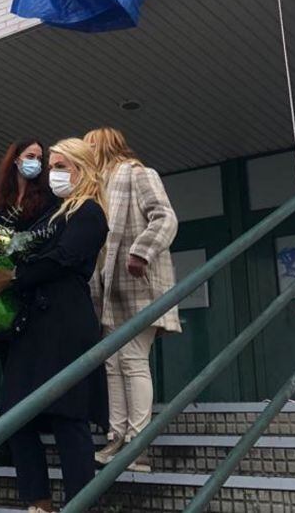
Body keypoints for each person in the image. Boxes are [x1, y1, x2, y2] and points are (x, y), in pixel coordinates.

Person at [0, 137, 110, 513]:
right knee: (16, 415)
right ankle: (38, 502)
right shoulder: (52, 214)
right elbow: (26, 246)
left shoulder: (90, 212)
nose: (52, 174)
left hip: (66, 321)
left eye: (60, 166)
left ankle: (80, 502)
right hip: (33, 322)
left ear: (82, 169)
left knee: (70, 416)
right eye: (51, 166)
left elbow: (64, 258)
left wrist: (14, 276)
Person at [85, 128, 179, 473]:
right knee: (113, 364)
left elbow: (165, 216)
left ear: (103, 146)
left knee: (133, 360)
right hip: (108, 291)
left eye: (89, 146)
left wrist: (141, 251)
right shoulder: (98, 189)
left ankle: (138, 445)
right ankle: (117, 436)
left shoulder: (139, 173)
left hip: (138, 283)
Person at [0, 138, 57, 466]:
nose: (36, 163)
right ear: (15, 160)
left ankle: (15, 436)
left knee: (27, 366)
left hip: (34, 288)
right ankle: (16, 434)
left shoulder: (48, 198)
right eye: (30, 156)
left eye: (40, 158)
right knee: (11, 367)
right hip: (5, 292)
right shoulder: (0, 198)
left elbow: (48, 238)